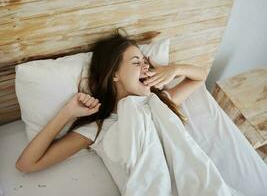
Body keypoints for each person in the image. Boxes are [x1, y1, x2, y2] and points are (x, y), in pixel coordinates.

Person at [15, 28, 208, 174]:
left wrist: (174, 69)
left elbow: (200, 77)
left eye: (146, 62)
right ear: (114, 74)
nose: (146, 68)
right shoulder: (99, 127)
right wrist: (67, 112)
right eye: (136, 62)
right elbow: (26, 164)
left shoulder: (160, 102)